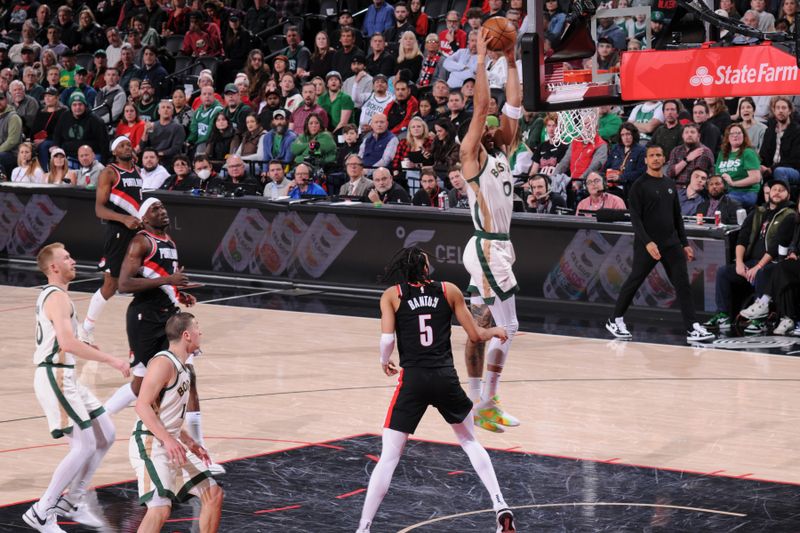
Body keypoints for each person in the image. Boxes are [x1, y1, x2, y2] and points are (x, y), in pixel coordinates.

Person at [354, 246, 515, 533]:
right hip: (445, 377)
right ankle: (500, 504)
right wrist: (496, 331)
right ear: (425, 269)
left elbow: (386, 341)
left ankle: (364, 528)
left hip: (413, 379)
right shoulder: (448, 290)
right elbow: (476, 335)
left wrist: (384, 361)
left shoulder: (393, 295)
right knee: (469, 442)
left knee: (389, 457)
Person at [23, 243, 130, 532]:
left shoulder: (57, 297)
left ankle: (70, 502)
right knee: (83, 445)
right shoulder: (58, 297)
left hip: (65, 375)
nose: (73, 260)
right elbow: (67, 344)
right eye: (66, 257)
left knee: (105, 434)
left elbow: (65, 340)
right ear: (54, 267)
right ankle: (42, 510)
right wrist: (112, 360)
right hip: (55, 376)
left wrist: (84, 346)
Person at [458, 28, 522, 431]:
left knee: (482, 326)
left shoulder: (503, 151)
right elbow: (482, 108)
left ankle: (478, 399)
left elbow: (514, 102)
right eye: (488, 121)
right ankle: (485, 402)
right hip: (486, 247)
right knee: (507, 326)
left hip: (497, 248)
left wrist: (512, 60)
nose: (495, 120)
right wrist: (482, 59)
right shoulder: (471, 155)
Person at [606, 145, 715, 344]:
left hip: (671, 244)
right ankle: (615, 319)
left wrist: (684, 243)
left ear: (664, 158)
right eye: (651, 156)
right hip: (648, 244)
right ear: (646, 160)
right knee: (635, 280)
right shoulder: (639, 185)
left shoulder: (669, 184)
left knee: (682, 284)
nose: (655, 158)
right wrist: (648, 243)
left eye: (658, 155)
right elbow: (636, 219)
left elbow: (676, 217)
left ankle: (692, 328)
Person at [130, 313, 223, 532]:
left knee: (213, 494)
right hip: (150, 443)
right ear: (187, 335)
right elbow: (142, 406)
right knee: (160, 509)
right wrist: (168, 440)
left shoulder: (184, 367)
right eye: (197, 328)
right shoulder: (163, 363)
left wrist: (188, 441)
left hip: (170, 441)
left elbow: (166, 415)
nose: (201, 332)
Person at [704, 179, 794, 332]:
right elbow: (742, 238)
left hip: (771, 264)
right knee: (724, 272)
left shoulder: (789, 215)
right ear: (768, 193)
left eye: (781, 190)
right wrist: (739, 262)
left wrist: (759, 266)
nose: (777, 192)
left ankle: (759, 319)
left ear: (788, 195)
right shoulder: (757, 212)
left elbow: (777, 245)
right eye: (774, 189)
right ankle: (724, 315)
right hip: (750, 262)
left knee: (762, 273)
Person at [81, 137, 143, 344]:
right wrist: (123, 218)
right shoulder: (109, 172)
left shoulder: (137, 170)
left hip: (137, 230)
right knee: (111, 284)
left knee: (144, 277)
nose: (127, 147)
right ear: (115, 152)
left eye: (128, 144)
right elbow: (99, 209)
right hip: (117, 231)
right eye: (121, 146)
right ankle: (86, 328)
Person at [715, 123, 762, 209]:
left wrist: (733, 183)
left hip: (745, 192)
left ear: (744, 136)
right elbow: (717, 174)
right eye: (732, 134)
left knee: (726, 201)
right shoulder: (722, 154)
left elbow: (756, 178)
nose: (735, 136)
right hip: (726, 192)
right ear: (727, 138)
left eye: (739, 133)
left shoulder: (748, 152)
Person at [759, 97, 800, 187]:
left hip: (794, 169)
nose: (780, 111)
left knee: (779, 171)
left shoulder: (797, 131)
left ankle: (783, 199)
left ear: (789, 111)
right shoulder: (770, 131)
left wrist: (772, 169)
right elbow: (763, 153)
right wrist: (760, 166)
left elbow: (794, 160)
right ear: (774, 111)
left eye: (784, 108)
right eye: (778, 108)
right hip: (770, 167)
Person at [666, 123, 715, 188]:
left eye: (692, 132)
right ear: (682, 136)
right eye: (686, 132)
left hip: (695, 190)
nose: (689, 135)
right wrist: (687, 159)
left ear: (698, 136)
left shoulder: (704, 151)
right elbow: (670, 173)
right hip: (676, 188)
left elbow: (697, 178)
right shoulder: (676, 150)